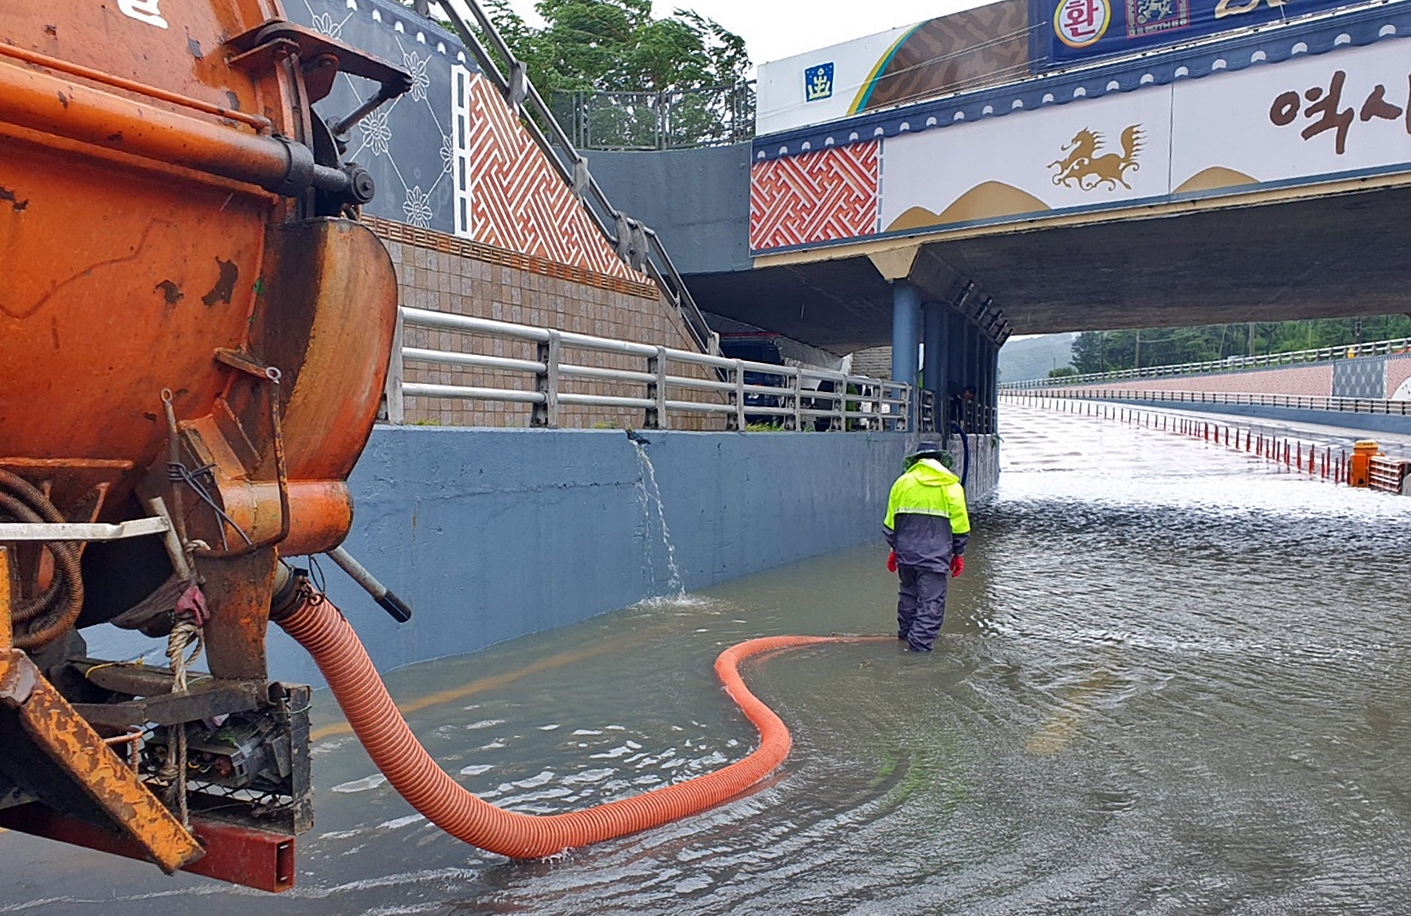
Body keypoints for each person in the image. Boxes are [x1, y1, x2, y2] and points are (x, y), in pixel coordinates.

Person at [883, 441, 970, 653]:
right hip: (935, 557)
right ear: (940, 461)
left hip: (906, 555)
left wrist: (895, 549)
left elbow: (890, 523)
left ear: (916, 461)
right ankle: (918, 654)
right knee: (931, 604)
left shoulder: (901, 483)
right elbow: (960, 526)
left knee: (908, 597)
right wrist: (958, 554)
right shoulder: (951, 487)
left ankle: (904, 639)